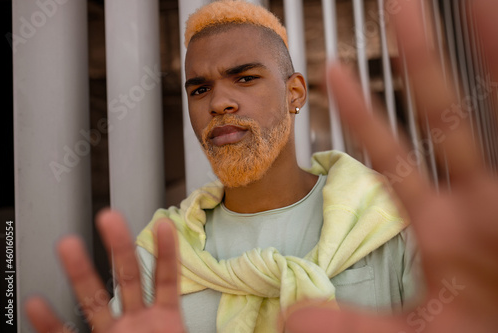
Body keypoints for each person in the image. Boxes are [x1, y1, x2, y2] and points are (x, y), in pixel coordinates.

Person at [25, 0, 498, 333]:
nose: (219, 103)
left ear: (294, 93)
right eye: (199, 89)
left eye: (245, 78)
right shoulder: (162, 254)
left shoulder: (387, 221)